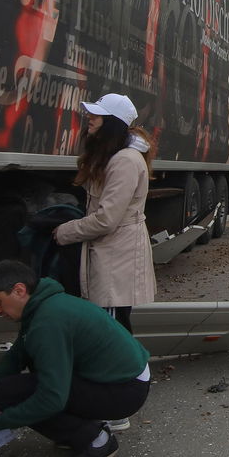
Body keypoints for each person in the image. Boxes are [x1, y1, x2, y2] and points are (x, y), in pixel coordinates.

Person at [0, 260, 151, 457]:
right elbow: (18, 352)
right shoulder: (43, 305)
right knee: (5, 389)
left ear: (19, 290)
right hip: (120, 379)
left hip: (124, 390)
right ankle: (74, 431)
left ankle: (97, 440)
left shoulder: (48, 322)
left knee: (15, 394)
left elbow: (52, 398)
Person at [52, 93, 157, 338]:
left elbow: (105, 219)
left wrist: (64, 232)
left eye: (98, 114)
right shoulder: (115, 157)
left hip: (116, 257)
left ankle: (127, 375)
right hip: (112, 254)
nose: (91, 117)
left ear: (112, 123)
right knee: (111, 327)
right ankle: (122, 373)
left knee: (111, 330)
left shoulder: (125, 161)